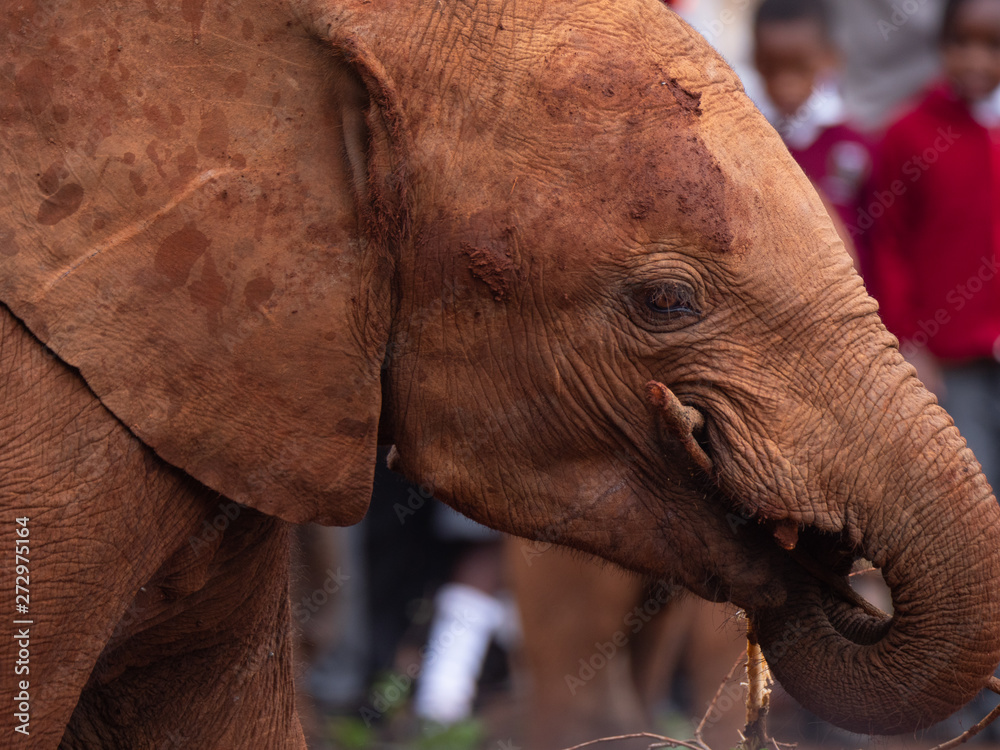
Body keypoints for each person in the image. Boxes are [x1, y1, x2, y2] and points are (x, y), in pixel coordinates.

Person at [868, 0, 1000, 730]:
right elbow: (886, 244)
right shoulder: (909, 134)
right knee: (968, 532)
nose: (976, 59)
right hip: (952, 368)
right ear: (941, 44)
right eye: (962, 42)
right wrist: (909, 340)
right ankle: (960, 705)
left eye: (992, 44)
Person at [752, 0, 876, 270]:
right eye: (771, 69)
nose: (784, 82)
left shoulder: (855, 144)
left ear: (830, 57)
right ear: (755, 61)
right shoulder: (751, 144)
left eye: (798, 68)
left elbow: (878, 242)